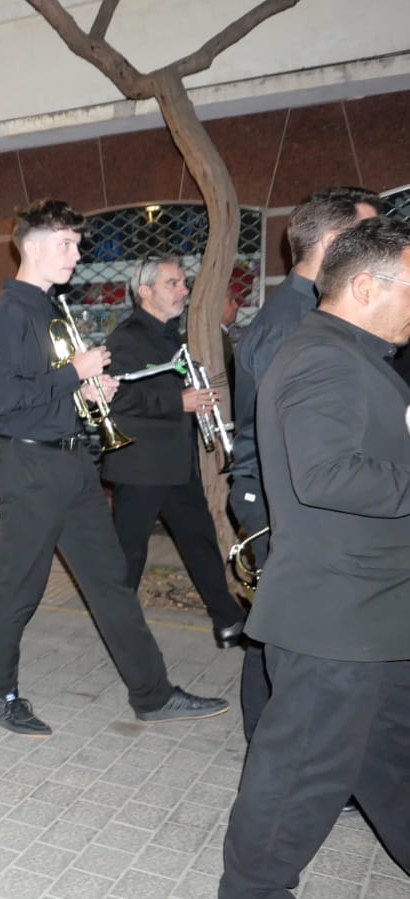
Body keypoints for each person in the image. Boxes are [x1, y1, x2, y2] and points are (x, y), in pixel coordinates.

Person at [0, 199, 227, 736]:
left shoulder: (47, 308)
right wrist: (74, 373)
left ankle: (152, 695)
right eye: (66, 244)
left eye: (77, 243)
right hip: (29, 465)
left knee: (111, 584)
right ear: (33, 247)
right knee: (18, 589)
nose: (77, 253)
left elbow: (43, 392)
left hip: (72, 462)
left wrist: (90, 389)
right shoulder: (7, 312)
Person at [219, 216, 410, 896]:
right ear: (364, 285)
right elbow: (325, 475)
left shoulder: (354, 357)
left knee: (392, 765)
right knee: (295, 784)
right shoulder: (322, 358)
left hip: (372, 615)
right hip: (335, 622)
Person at [227, 187, 382, 742]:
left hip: (282, 492)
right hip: (279, 497)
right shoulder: (292, 326)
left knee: (277, 628)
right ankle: (283, 754)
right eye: (370, 236)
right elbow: (300, 447)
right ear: (337, 242)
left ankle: (277, 748)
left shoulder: (311, 315)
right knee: (292, 639)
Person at [101, 257, 248, 648]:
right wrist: (177, 400)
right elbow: (114, 397)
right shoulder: (126, 337)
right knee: (129, 554)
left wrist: (195, 397)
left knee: (199, 542)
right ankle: (120, 628)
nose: (183, 290)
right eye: (173, 283)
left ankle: (228, 621)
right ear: (145, 292)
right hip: (142, 466)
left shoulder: (170, 336)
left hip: (176, 463)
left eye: (183, 282)